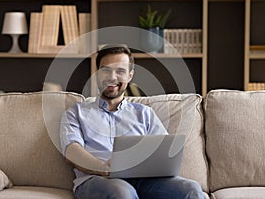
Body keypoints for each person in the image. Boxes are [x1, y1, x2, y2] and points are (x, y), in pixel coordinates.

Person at [60, 44, 205, 199]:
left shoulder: (144, 113)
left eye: (120, 71)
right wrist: (105, 168)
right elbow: (71, 151)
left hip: (144, 181)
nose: (112, 77)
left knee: (191, 189)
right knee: (122, 192)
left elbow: (165, 154)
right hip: (95, 180)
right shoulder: (76, 111)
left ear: (130, 76)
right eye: (106, 70)